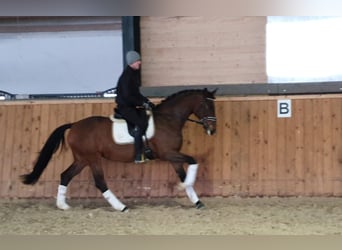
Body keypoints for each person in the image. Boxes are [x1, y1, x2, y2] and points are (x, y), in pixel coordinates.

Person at [115, 51, 155, 163]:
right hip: (125, 107)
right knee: (141, 123)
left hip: (132, 105)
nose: (140, 63)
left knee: (146, 117)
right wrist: (142, 103)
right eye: (138, 61)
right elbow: (128, 96)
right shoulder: (127, 77)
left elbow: (136, 93)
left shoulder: (133, 73)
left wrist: (147, 101)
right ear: (132, 62)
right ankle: (138, 155)